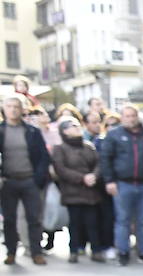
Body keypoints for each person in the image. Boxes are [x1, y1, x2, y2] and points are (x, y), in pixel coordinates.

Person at [100, 104, 143, 266]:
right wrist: (109, 181)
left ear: (137, 117)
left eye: (133, 116)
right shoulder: (114, 135)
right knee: (122, 220)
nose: (130, 119)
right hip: (123, 184)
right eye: (127, 116)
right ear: (122, 118)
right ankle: (122, 252)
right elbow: (106, 159)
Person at [1, 95, 51, 266]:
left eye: (16, 106)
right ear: (4, 109)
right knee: (9, 219)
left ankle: (36, 252)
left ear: (22, 109)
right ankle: (11, 252)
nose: (13, 109)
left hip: (30, 181)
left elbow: (44, 157)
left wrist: (38, 178)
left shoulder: (32, 131)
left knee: (34, 218)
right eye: (9, 106)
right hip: (8, 182)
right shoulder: (1, 130)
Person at [50, 116, 102, 262]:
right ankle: (74, 250)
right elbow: (61, 169)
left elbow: (99, 163)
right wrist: (82, 178)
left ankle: (96, 250)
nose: (77, 127)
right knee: (75, 223)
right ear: (64, 131)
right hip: (73, 192)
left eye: (77, 125)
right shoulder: (60, 148)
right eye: (72, 126)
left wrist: (94, 176)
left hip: (90, 192)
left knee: (93, 222)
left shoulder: (88, 146)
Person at [82, 109, 115, 261]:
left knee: (111, 216)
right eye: (93, 122)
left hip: (112, 182)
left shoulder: (104, 139)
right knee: (101, 216)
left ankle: (110, 244)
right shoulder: (93, 141)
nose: (97, 125)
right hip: (97, 184)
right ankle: (101, 245)